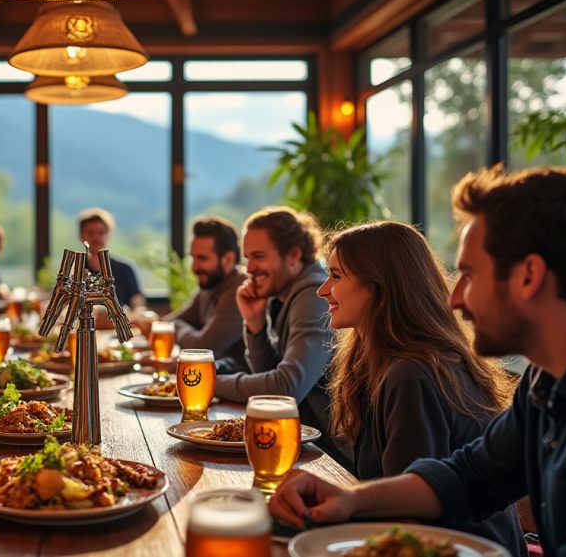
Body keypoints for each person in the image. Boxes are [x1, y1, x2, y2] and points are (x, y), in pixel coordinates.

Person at [269, 166, 566, 556]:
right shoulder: (544, 382)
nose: (455, 298)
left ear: (529, 276)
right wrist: (350, 499)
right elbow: (470, 477)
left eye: (470, 275)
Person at [316, 221, 525, 554]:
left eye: (337, 276)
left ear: (380, 286)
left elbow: (408, 522)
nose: (323, 289)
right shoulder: (391, 362)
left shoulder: (411, 375)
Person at [213, 207, 349, 466]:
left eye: (259, 256)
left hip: (332, 458)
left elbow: (285, 389)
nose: (249, 268)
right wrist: (255, 325)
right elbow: (271, 372)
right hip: (305, 445)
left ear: (294, 254)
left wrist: (209, 383)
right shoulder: (286, 296)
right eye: (247, 258)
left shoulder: (313, 296)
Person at [165, 216, 247, 374]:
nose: (194, 266)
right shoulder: (210, 285)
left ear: (228, 259)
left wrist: (180, 330)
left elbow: (200, 350)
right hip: (211, 381)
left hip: (237, 390)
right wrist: (189, 332)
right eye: (193, 257)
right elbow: (169, 323)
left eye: (202, 258)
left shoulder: (240, 290)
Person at [75, 208, 145, 309]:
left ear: (108, 235)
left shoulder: (125, 268)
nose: (96, 237)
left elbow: (137, 303)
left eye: (101, 232)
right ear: (81, 236)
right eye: (90, 233)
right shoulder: (75, 270)